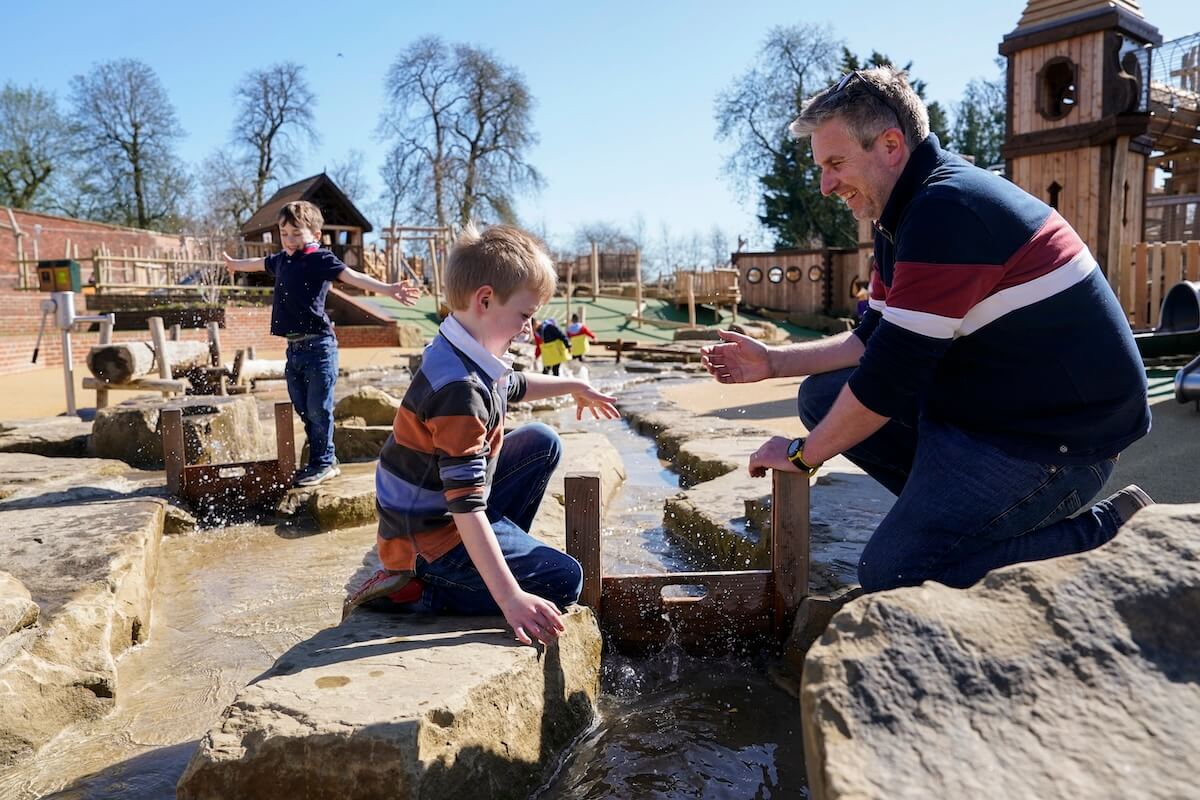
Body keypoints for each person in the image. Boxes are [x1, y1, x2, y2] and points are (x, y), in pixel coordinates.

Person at [701, 66, 1153, 594]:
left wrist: (803, 455)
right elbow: (872, 337)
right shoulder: (901, 214)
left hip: (1061, 440)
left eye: (835, 164)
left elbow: (889, 377)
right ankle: (961, 527)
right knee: (820, 397)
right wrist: (774, 362)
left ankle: (1108, 533)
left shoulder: (947, 210)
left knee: (896, 571)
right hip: (997, 410)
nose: (826, 185)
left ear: (891, 146)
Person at [342, 223, 621, 645]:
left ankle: (488, 559)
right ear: (485, 300)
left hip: (437, 512)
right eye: (524, 316)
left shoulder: (462, 347)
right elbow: (466, 506)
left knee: (542, 442)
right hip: (429, 543)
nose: (528, 329)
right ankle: (421, 590)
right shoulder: (460, 390)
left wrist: (574, 386)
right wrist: (511, 598)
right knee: (566, 579)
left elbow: (514, 385)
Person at [224, 201, 420, 487]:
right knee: (302, 406)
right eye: (284, 233)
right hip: (293, 349)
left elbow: (352, 276)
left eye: (296, 233)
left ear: (315, 234)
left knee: (318, 408)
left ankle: (324, 462)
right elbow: (256, 263)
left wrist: (388, 289)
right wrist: (234, 265)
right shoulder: (282, 260)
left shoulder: (320, 258)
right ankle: (321, 458)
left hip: (319, 348)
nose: (289, 239)